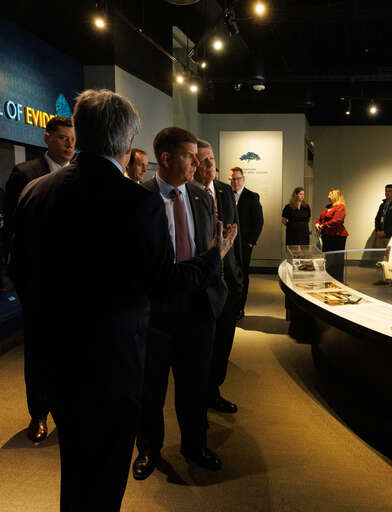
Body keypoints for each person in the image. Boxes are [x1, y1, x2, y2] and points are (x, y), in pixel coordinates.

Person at [12, 90, 235, 510]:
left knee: (75, 470)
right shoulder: (138, 202)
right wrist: (213, 258)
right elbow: (162, 283)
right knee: (104, 481)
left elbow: (19, 275)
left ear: (81, 131)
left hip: (57, 363)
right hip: (113, 368)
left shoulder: (35, 193)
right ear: (129, 141)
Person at [133, 129, 231, 479]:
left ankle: (195, 446)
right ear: (167, 158)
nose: (197, 164)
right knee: (151, 389)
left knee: (195, 386)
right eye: (190, 157)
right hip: (156, 313)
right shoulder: (139, 199)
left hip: (198, 309)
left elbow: (210, 249)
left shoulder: (202, 198)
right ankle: (148, 449)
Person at [3, 115, 74, 444]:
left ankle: (69, 410)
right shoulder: (25, 174)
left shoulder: (82, 174)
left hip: (75, 283)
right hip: (39, 281)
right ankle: (39, 413)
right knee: (39, 350)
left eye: (73, 139)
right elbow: (12, 230)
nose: (69, 144)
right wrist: (22, 278)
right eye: (62, 138)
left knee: (72, 350)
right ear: (47, 138)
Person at [194, 139, 244, 415]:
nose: (209, 165)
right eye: (203, 161)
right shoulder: (188, 193)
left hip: (229, 283)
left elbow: (237, 237)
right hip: (202, 284)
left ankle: (213, 391)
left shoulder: (224, 191)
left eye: (212, 159)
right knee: (202, 349)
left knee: (223, 344)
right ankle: (198, 399)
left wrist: (239, 276)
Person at [230, 166, 263, 318]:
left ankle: (240, 308)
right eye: (232, 179)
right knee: (229, 275)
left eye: (237, 179)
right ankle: (230, 306)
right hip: (228, 244)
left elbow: (259, 222)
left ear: (243, 179)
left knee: (242, 275)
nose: (235, 182)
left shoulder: (252, 196)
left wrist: (250, 242)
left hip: (244, 244)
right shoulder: (226, 195)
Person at [315, 188, 348, 282]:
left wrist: (323, 225)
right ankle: (327, 278)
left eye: (330, 195)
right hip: (327, 235)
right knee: (327, 259)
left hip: (337, 236)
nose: (328, 196)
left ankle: (336, 280)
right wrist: (317, 223)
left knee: (336, 259)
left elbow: (337, 220)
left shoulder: (340, 207)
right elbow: (321, 218)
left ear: (335, 196)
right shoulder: (328, 207)